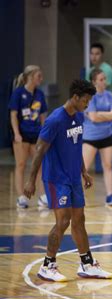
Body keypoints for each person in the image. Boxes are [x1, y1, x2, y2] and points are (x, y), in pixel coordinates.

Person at [24, 79, 112, 282]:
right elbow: (39, 150)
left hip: (73, 177)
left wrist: (83, 171)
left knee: (79, 220)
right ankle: (48, 265)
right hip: (56, 178)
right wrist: (31, 181)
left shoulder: (79, 116)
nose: (87, 104)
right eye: (86, 100)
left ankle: (87, 264)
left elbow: (76, 145)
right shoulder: (55, 120)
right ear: (75, 97)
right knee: (63, 221)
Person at [9, 65, 48, 209]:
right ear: (30, 77)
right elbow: (13, 115)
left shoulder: (40, 94)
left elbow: (43, 116)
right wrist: (17, 133)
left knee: (39, 166)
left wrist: (45, 134)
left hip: (36, 135)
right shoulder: (18, 93)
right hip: (22, 135)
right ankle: (21, 197)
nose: (41, 79)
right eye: (39, 76)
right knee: (21, 165)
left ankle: (42, 196)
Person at [82, 69, 112, 206]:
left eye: (105, 79)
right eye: (101, 79)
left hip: (107, 136)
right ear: (94, 82)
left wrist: (99, 115)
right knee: (83, 167)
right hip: (91, 137)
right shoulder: (90, 96)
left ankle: (110, 195)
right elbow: (93, 117)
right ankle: (79, 195)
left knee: (108, 166)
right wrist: (105, 115)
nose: (104, 82)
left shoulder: (109, 95)